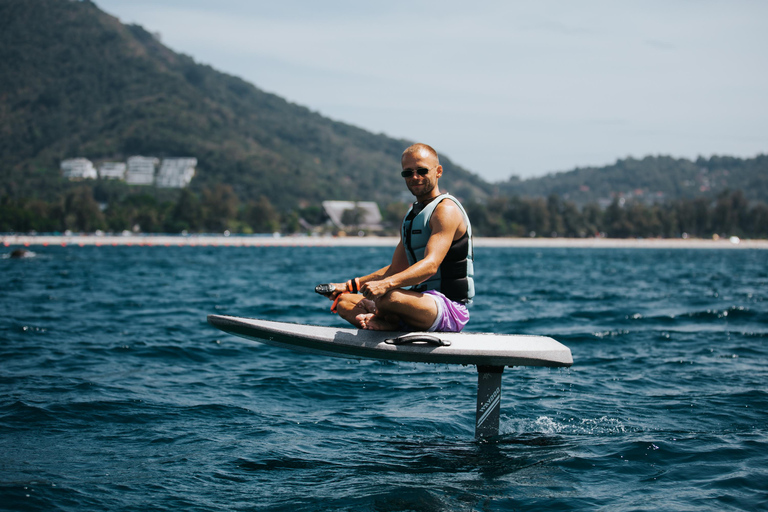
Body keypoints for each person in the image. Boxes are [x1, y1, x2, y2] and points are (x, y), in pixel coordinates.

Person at [325, 143, 474, 332]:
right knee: (344, 302)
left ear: (438, 171)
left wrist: (385, 285)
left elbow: (430, 265)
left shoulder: (445, 210)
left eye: (422, 170)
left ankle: (386, 320)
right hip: (414, 301)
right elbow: (396, 268)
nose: (415, 177)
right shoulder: (412, 216)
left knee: (388, 296)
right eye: (408, 173)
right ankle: (387, 321)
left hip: (447, 310)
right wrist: (348, 286)